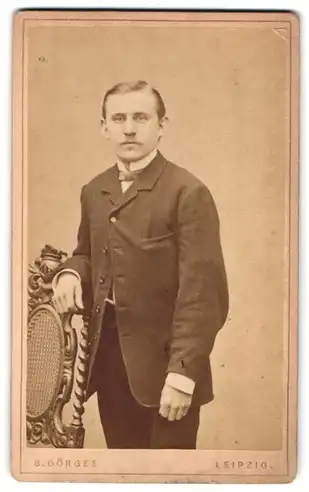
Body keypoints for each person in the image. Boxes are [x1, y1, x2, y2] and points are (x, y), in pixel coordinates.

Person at [52, 80, 229, 449]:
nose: (129, 128)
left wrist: (182, 376)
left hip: (167, 370)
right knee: (122, 475)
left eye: (140, 117)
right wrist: (70, 270)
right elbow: (89, 253)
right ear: (104, 127)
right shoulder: (94, 190)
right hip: (109, 364)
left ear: (161, 125)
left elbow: (203, 296)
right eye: (118, 118)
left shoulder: (187, 192)